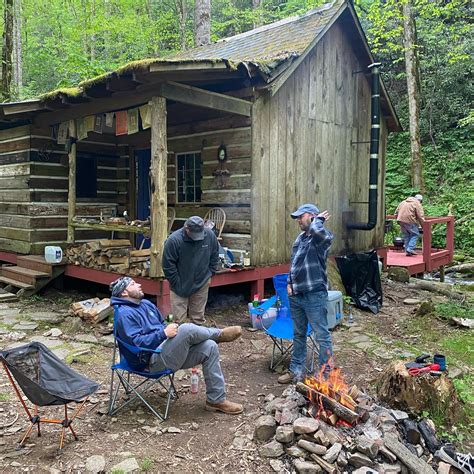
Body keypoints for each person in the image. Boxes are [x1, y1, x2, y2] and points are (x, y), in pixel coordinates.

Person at [110, 276, 243, 415]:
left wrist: (168, 331)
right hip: (148, 362)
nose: (139, 284)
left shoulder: (146, 304)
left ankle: (215, 400)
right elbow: (136, 343)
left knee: (210, 346)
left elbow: (161, 326)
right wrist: (163, 334)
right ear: (124, 292)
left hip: (165, 351)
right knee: (185, 329)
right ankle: (218, 334)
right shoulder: (124, 314)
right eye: (133, 284)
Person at [278, 203, 334, 384]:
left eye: (300, 217)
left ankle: (325, 376)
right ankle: (296, 371)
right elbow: (294, 264)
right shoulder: (300, 238)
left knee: (322, 335)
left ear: (310, 216)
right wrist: (289, 283)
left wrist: (318, 221)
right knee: (299, 334)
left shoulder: (321, 238)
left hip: (314, 295)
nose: (297, 221)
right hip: (296, 294)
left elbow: (319, 232)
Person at [162, 216, 219, 324]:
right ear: (186, 228)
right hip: (180, 284)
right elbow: (168, 265)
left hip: (202, 281)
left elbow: (215, 254)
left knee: (198, 318)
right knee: (178, 321)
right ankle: (180, 340)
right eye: (194, 234)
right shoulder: (174, 240)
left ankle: (198, 339)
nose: (197, 237)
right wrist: (176, 282)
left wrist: (210, 272)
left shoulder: (209, 235)